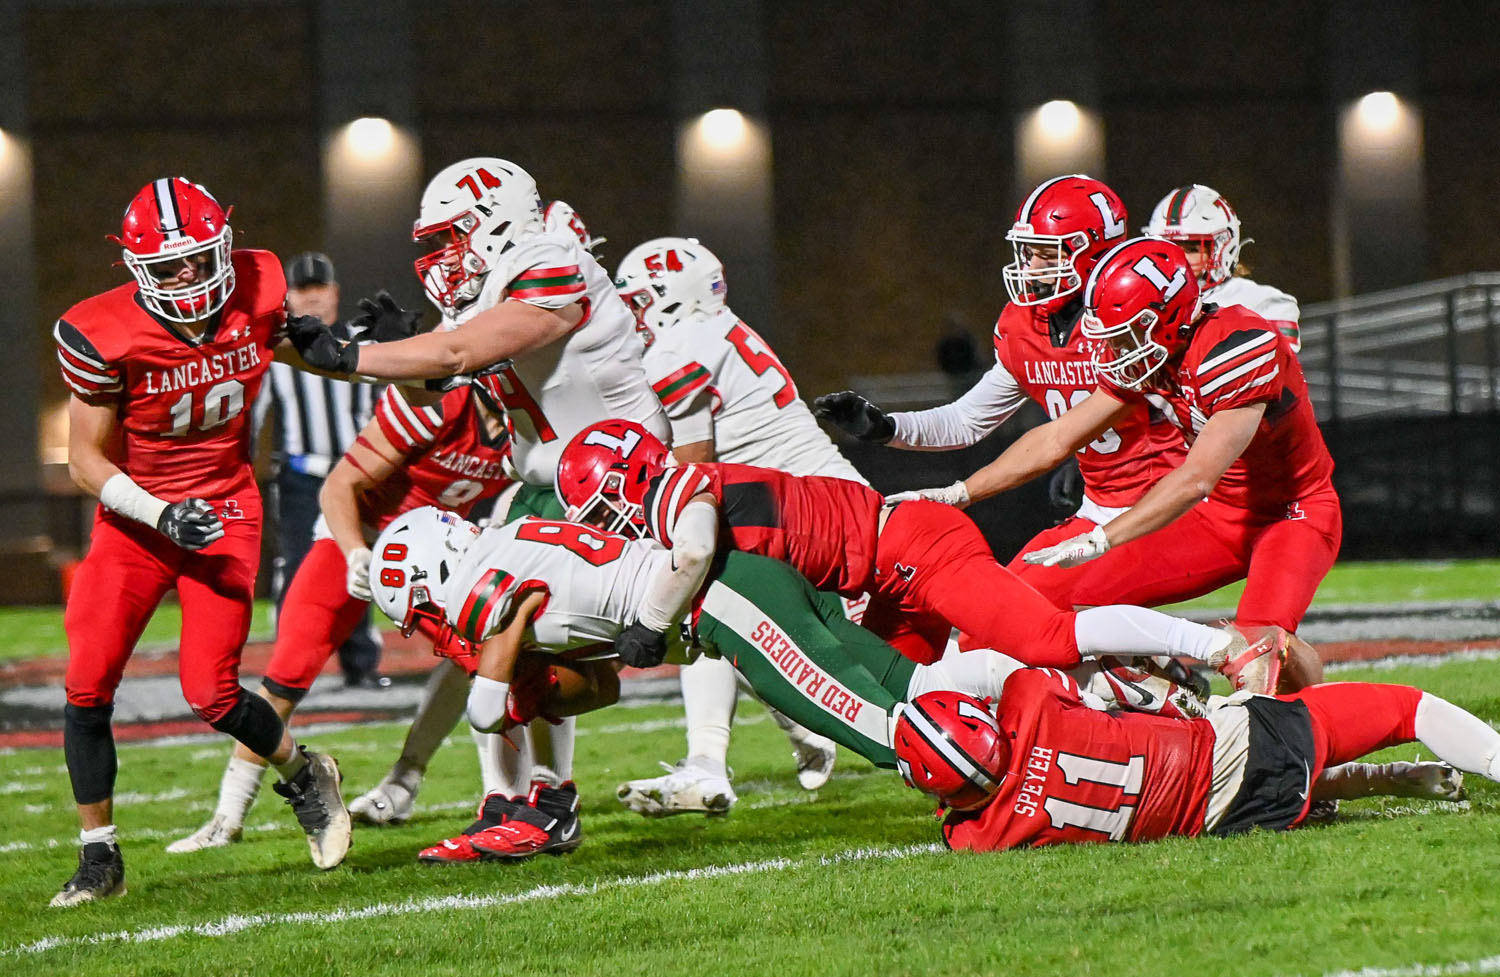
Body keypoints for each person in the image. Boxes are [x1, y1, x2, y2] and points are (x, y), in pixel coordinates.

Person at [366, 507, 1451, 857]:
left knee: (910, 730)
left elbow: (490, 697)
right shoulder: (508, 552)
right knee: (939, 696)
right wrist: (575, 678)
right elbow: (582, 688)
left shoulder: (495, 581)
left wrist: (512, 688)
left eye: (414, 605)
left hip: (734, 602)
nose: (420, 626)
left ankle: (1188, 673)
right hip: (734, 599)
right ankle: (1186, 685)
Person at [286, 160, 670, 853]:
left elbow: (462, 351)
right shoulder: (493, 290)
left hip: (609, 478)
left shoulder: (552, 263)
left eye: (449, 239)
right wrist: (355, 347)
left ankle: (553, 795)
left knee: (549, 639)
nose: (438, 260)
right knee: (486, 631)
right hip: (561, 478)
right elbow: (449, 360)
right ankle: (506, 797)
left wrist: (361, 355)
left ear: (497, 224)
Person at [49, 177, 350, 905]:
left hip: (226, 507)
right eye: (167, 266)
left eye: (198, 259)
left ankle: (307, 774)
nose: (187, 276)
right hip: (135, 520)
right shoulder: (101, 331)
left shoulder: (262, 282)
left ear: (226, 244)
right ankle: (100, 858)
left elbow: (293, 350)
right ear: (136, 267)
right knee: (87, 684)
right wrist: (156, 513)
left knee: (211, 692)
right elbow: (85, 457)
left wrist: (351, 347)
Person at [891, 238, 1339, 691]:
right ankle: (1149, 688)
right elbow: (1058, 437)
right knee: (1025, 594)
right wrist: (961, 492)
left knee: (1257, 648)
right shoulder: (1153, 355)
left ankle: (1315, 727)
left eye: (1123, 334)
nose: (1112, 349)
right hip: (1217, 517)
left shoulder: (1236, 348)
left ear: (1163, 320)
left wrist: (1103, 537)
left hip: (1291, 513)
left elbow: (1196, 478)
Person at [556, 420, 1286, 693]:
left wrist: (649, 624)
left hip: (912, 547)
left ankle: (1215, 645)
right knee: (903, 693)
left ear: (624, 484)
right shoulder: (688, 486)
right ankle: (1130, 692)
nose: (605, 529)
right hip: (886, 569)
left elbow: (688, 556)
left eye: (599, 511)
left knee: (1046, 636)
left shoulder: (685, 488)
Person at [167, 380, 513, 855]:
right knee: (288, 671)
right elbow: (339, 485)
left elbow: (522, 487)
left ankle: (450, 791)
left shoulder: (523, 419)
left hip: (434, 555)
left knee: (481, 659)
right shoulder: (441, 404)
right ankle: (227, 817)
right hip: (359, 536)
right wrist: (355, 553)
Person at [811, 175, 1187, 608]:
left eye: (1046, 254)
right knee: (1000, 615)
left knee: (1039, 615)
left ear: (1093, 252)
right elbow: (967, 420)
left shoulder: (1137, 319)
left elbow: (1183, 411)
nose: (1031, 268)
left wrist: (969, 489)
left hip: (1170, 501)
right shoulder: (1023, 326)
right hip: (1100, 507)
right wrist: (886, 428)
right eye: (1028, 254)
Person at [609, 235, 861, 815]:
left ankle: (783, 732)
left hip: (818, 519)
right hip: (818, 506)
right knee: (708, 613)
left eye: (640, 300)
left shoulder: (678, 347)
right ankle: (714, 762)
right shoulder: (718, 329)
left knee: (915, 668)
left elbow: (694, 467)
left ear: (673, 298)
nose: (633, 314)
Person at [901, 672, 1486, 851]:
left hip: (1241, 816)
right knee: (1405, 709)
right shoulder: (1029, 699)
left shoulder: (981, 836)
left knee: (1296, 774)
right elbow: (1111, 681)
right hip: (1243, 742)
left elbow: (962, 817)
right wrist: (1176, 692)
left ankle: (1382, 780)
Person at [255, 251, 384, 688]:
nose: (312, 298)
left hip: (356, 473)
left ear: (335, 293)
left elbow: (383, 406)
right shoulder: (278, 348)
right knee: (295, 568)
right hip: (300, 477)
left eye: (319, 288)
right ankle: (289, 669)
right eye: (302, 290)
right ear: (288, 297)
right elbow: (254, 414)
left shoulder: (361, 341)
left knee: (358, 563)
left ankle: (360, 664)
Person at [1143, 185, 1301, 351]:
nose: (1176, 259)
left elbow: (1276, 369)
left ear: (1221, 249)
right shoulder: (1143, 301)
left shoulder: (1264, 303)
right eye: (1168, 248)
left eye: (1190, 249)